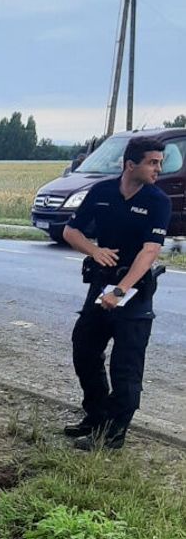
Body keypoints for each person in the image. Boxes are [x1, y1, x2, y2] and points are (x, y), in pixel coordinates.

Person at [62, 136, 171, 451]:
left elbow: (150, 251)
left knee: (126, 365)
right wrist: (94, 251)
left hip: (133, 291)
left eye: (160, 163)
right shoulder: (102, 192)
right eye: (152, 162)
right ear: (130, 165)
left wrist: (122, 290)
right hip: (101, 284)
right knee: (84, 349)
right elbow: (71, 230)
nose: (158, 169)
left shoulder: (157, 201)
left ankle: (113, 433)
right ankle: (96, 416)